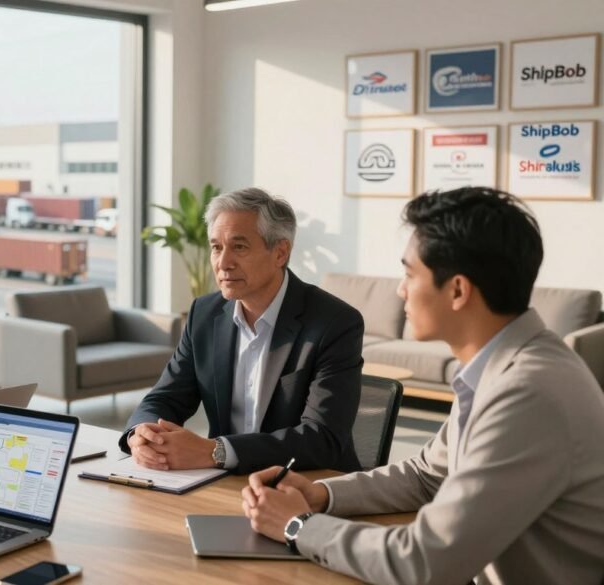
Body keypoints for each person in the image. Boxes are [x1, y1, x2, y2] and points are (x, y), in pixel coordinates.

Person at [241, 187, 604, 585]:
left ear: (458, 290)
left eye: (410, 274)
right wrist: (321, 495)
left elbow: (427, 563)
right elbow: (427, 475)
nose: (400, 291)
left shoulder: (528, 393)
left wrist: (298, 526)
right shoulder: (498, 369)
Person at [121, 187, 364, 474]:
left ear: (280, 252)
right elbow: (166, 397)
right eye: (216, 247)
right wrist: (142, 433)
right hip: (224, 480)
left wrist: (216, 451)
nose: (223, 263)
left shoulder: (334, 323)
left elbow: (322, 439)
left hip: (306, 484)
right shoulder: (204, 313)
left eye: (239, 247)